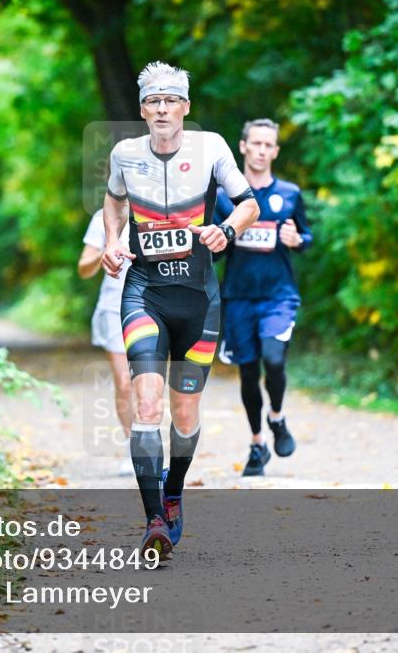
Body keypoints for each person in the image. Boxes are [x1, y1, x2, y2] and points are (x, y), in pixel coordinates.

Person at [101, 61, 260, 558]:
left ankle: (173, 492)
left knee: (184, 411)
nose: (162, 109)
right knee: (147, 404)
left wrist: (226, 230)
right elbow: (114, 201)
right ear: (143, 109)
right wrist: (112, 241)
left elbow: (249, 202)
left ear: (185, 107)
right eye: (153, 101)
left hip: (199, 298)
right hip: (144, 291)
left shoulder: (210, 146)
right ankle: (153, 521)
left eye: (171, 100)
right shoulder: (125, 154)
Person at [213, 118, 313, 476]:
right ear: (242, 147)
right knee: (247, 372)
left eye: (268, 144)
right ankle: (257, 444)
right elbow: (214, 251)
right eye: (255, 143)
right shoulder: (224, 199)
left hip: (278, 296)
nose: (261, 150)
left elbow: (305, 235)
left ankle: (278, 416)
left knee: (274, 359)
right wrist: (218, 240)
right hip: (238, 297)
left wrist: (297, 240)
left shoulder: (289, 194)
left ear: (275, 151)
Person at [78, 209, 134, 475]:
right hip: (115, 307)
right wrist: (104, 254)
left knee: (150, 380)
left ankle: (148, 441)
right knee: (125, 381)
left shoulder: (161, 211)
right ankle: (134, 447)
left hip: (156, 305)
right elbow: (83, 268)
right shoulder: (104, 217)